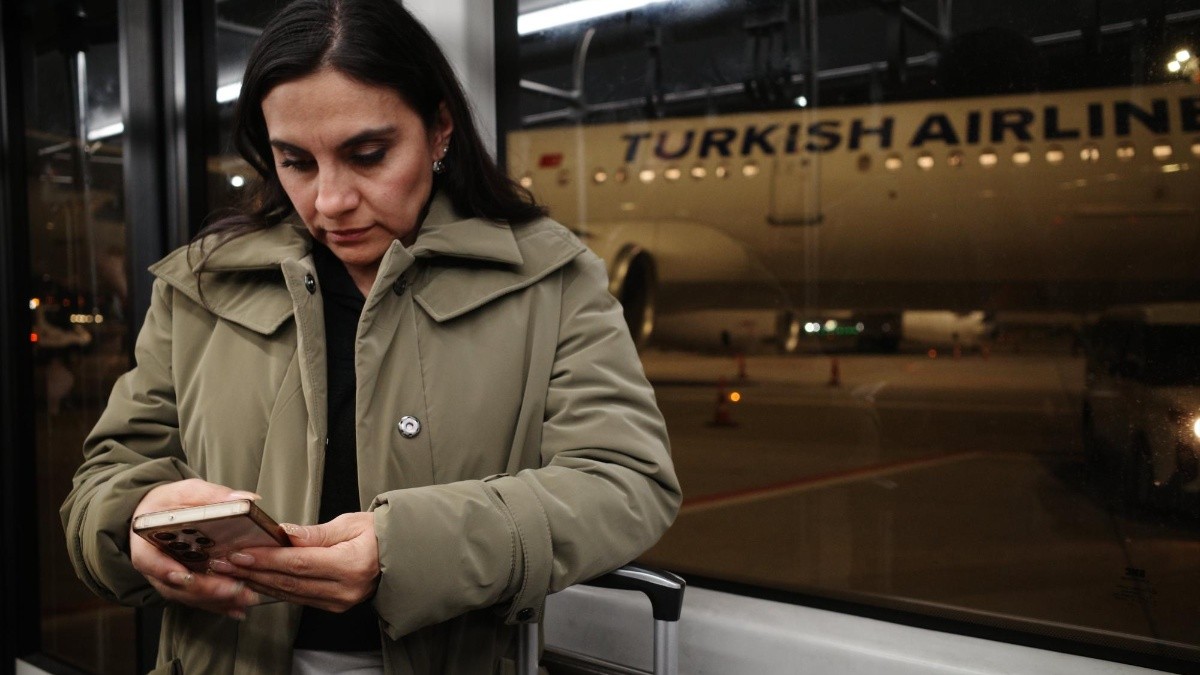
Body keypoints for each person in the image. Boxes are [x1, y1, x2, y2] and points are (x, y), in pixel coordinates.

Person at [60, 0, 681, 672]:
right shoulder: (202, 285)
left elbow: (626, 481)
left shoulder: (549, 279)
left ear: (440, 128)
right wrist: (135, 520)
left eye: (368, 155)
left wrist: (408, 547)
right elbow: (104, 478)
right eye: (295, 161)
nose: (330, 199)